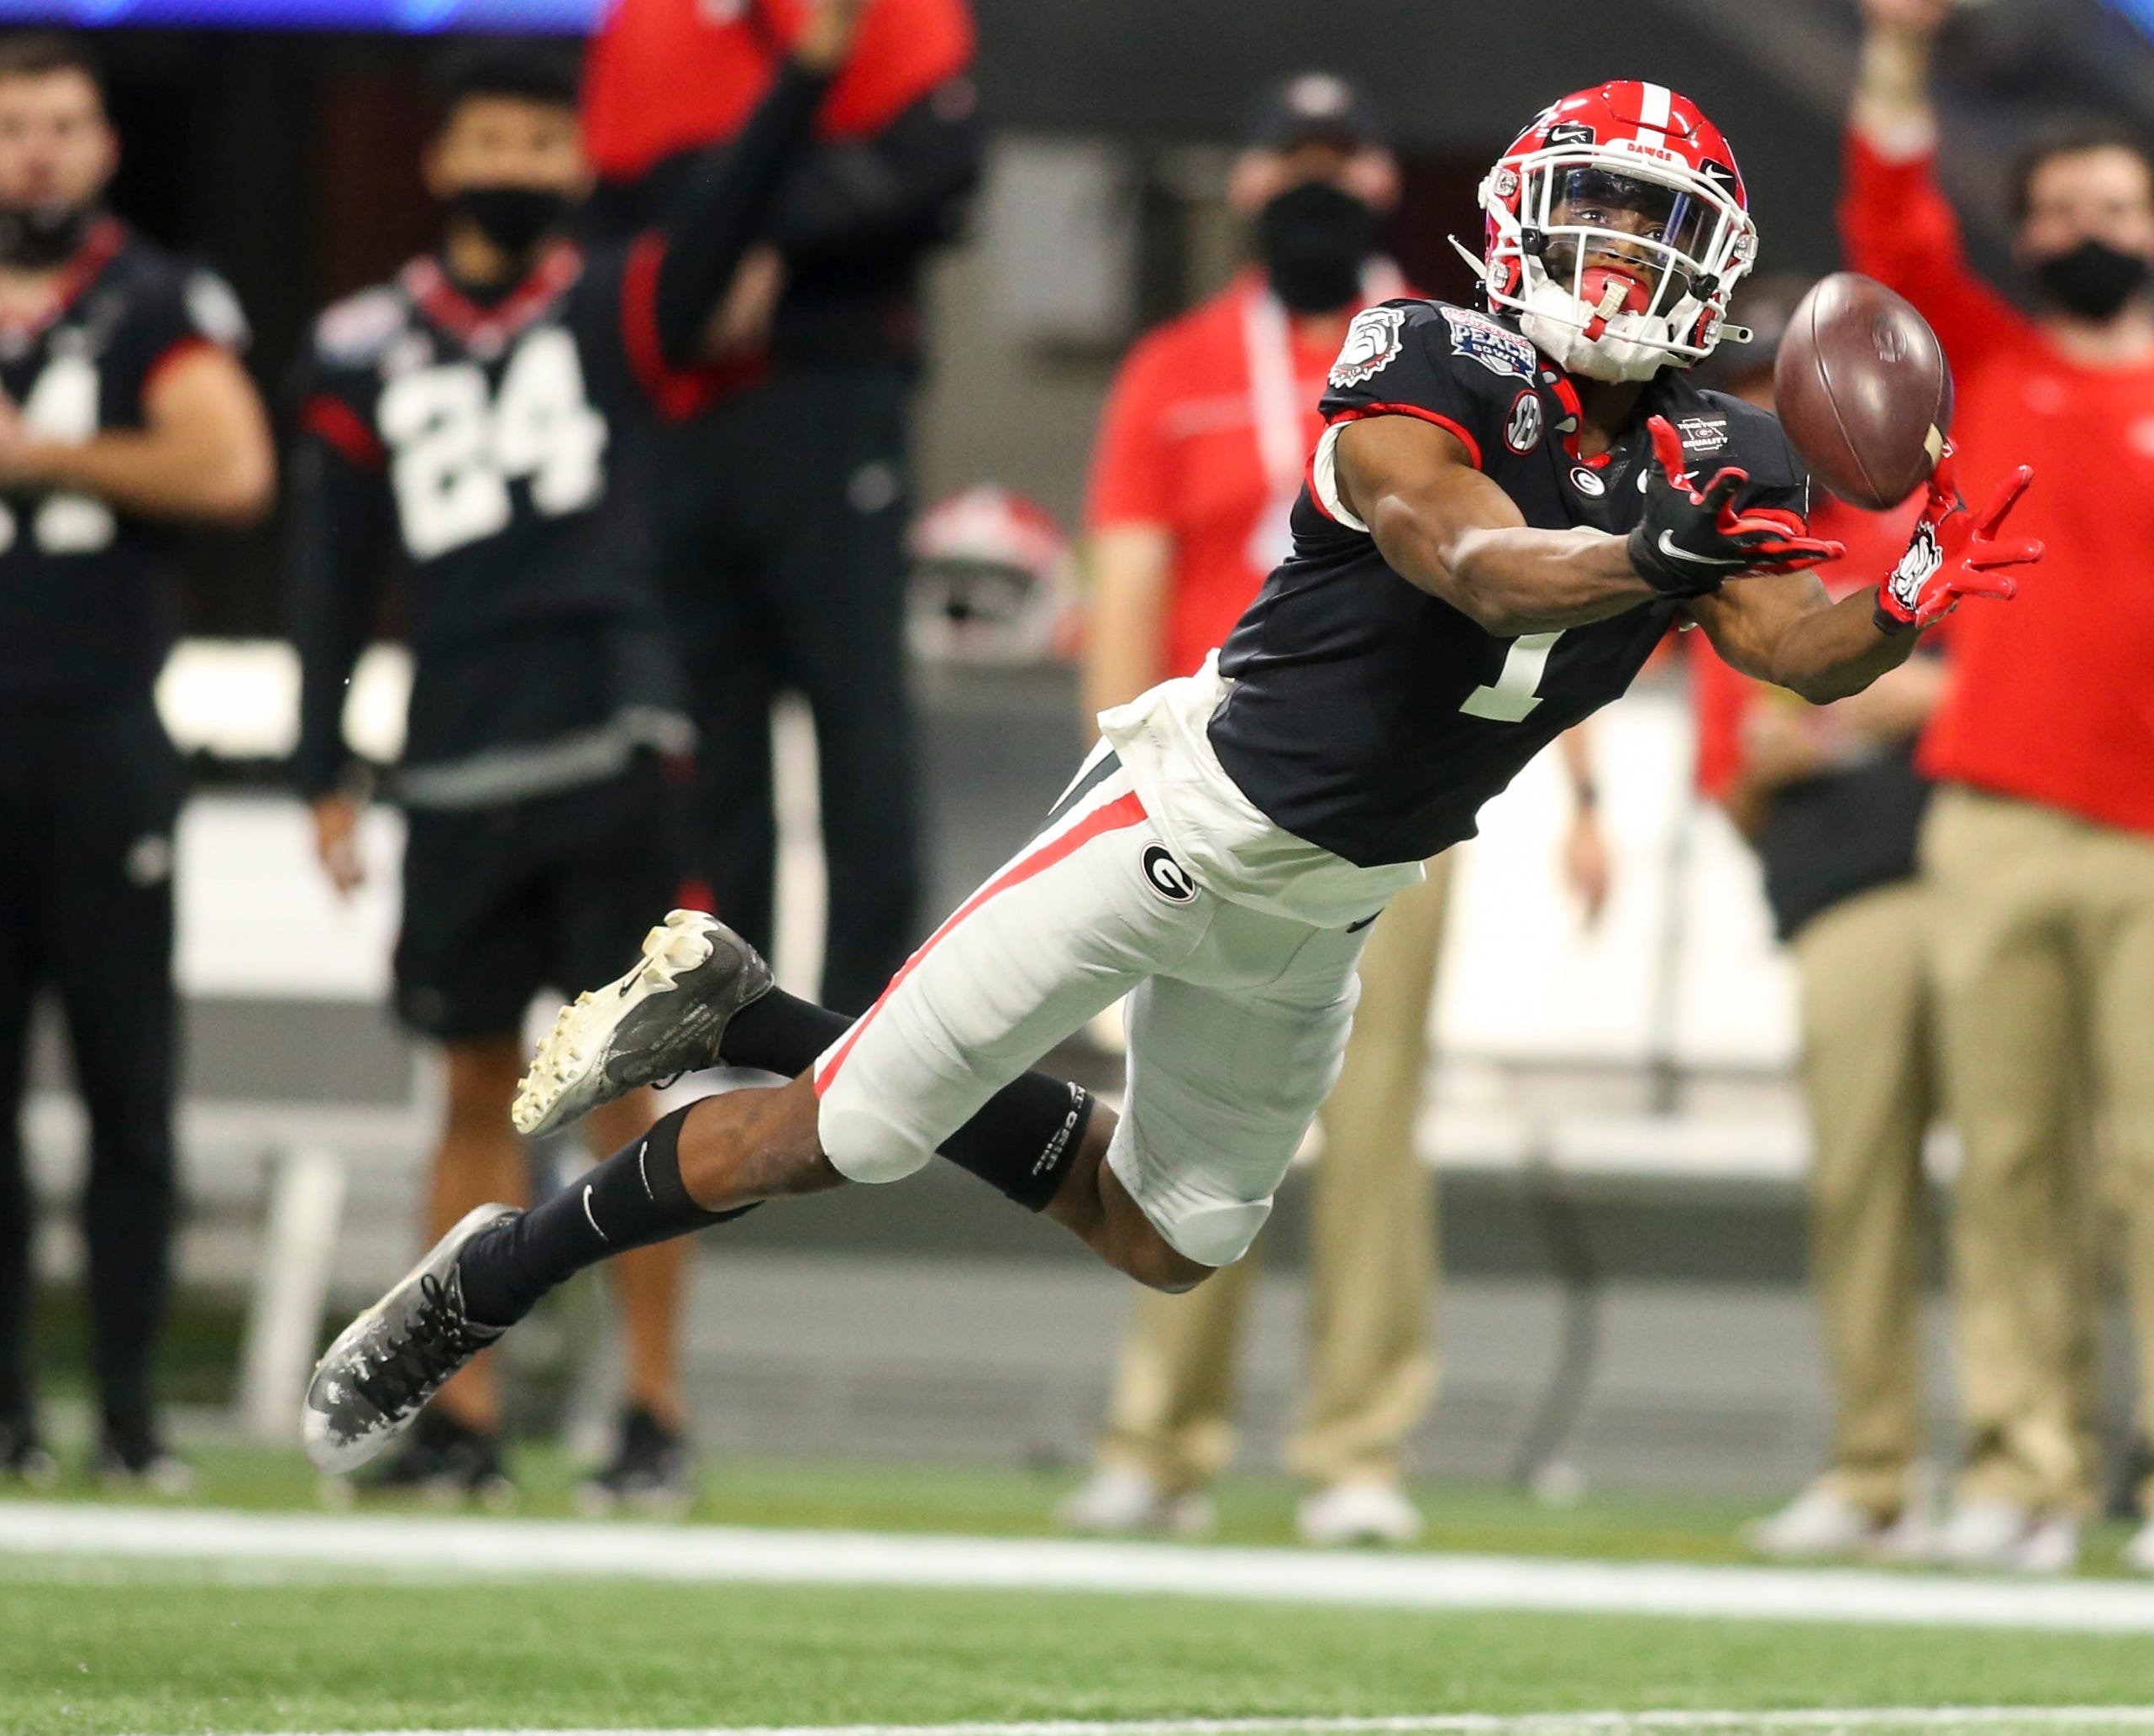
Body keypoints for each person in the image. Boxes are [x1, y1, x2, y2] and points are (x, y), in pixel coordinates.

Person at [299, 80, 2041, 1483]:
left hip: (1333, 901)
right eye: (1589, 208)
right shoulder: (1422, 352)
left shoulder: (1714, 446)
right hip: (1184, 817)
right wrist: (1643, 557)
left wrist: (1891, 605)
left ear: (1713, 263)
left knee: (1165, 1238)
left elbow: (1784, 648)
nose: (1611, 252)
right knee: (848, 1135)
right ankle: (492, 1273)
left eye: (1652, 227)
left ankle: (748, 1005)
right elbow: (1469, 559)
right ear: (1514, 215)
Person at [288, 11, 855, 1508]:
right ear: (440, 158)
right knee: (473, 1085)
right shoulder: (359, 343)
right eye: (492, 141)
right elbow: (329, 575)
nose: (517, 165)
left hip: (613, 735)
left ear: (575, 159)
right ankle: (463, 1414)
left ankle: (648, 1408)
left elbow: (735, 205)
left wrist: (805, 72)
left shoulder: (613, 305)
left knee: (625, 1085)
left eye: (543, 142)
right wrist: (321, 757)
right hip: (462, 750)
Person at [1057, 73, 1605, 1547]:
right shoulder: (1171, 367)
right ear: (1243, 187)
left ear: (1381, 186)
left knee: (1370, 1128)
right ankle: (1159, 1443)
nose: (1312, 186)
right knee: (1170, 1117)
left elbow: (1551, 568)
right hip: (1197, 784)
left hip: (1400, 797)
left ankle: (1358, 1446)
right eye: (1286, 162)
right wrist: (1107, 767)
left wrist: (1588, 794)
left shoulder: (1472, 360)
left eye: (1337, 163)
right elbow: (1120, 585)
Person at [1844, 0, 2154, 1577]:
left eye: (2116, 207)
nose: (2089, 228)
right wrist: (1895, 60)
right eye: (2061, 209)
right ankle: (2026, 1469)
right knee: (2011, 1162)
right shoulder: (1990, 373)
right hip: (1995, 820)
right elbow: (1890, 231)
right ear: (2022, 236)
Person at [0, 33, 272, 1492]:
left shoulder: (156, 296)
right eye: (12, 125)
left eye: (62, 125)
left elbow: (228, 465)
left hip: (98, 738)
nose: (36, 151)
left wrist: (32, 458)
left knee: (123, 1089)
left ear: (103, 149)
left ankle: (134, 1410)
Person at [582, 0, 980, 1015]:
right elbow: (613, 210)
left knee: (857, 716)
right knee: (707, 729)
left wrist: (763, 249)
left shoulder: (887, 13)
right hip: (688, 411)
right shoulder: (645, 23)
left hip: (831, 394)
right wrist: (696, 266)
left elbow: (940, 175)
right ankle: (718, 1019)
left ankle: (868, 1026)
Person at [1686, 276, 1939, 1561]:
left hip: (1960, 864)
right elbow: (1738, 777)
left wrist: (1844, 716)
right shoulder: (1726, 558)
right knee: (1863, 1185)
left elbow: (1980, 681)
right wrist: (1857, 710)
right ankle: (1878, 1465)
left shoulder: (1903, 521)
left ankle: (2026, 1464)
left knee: (2026, 1174)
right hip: (1840, 889)